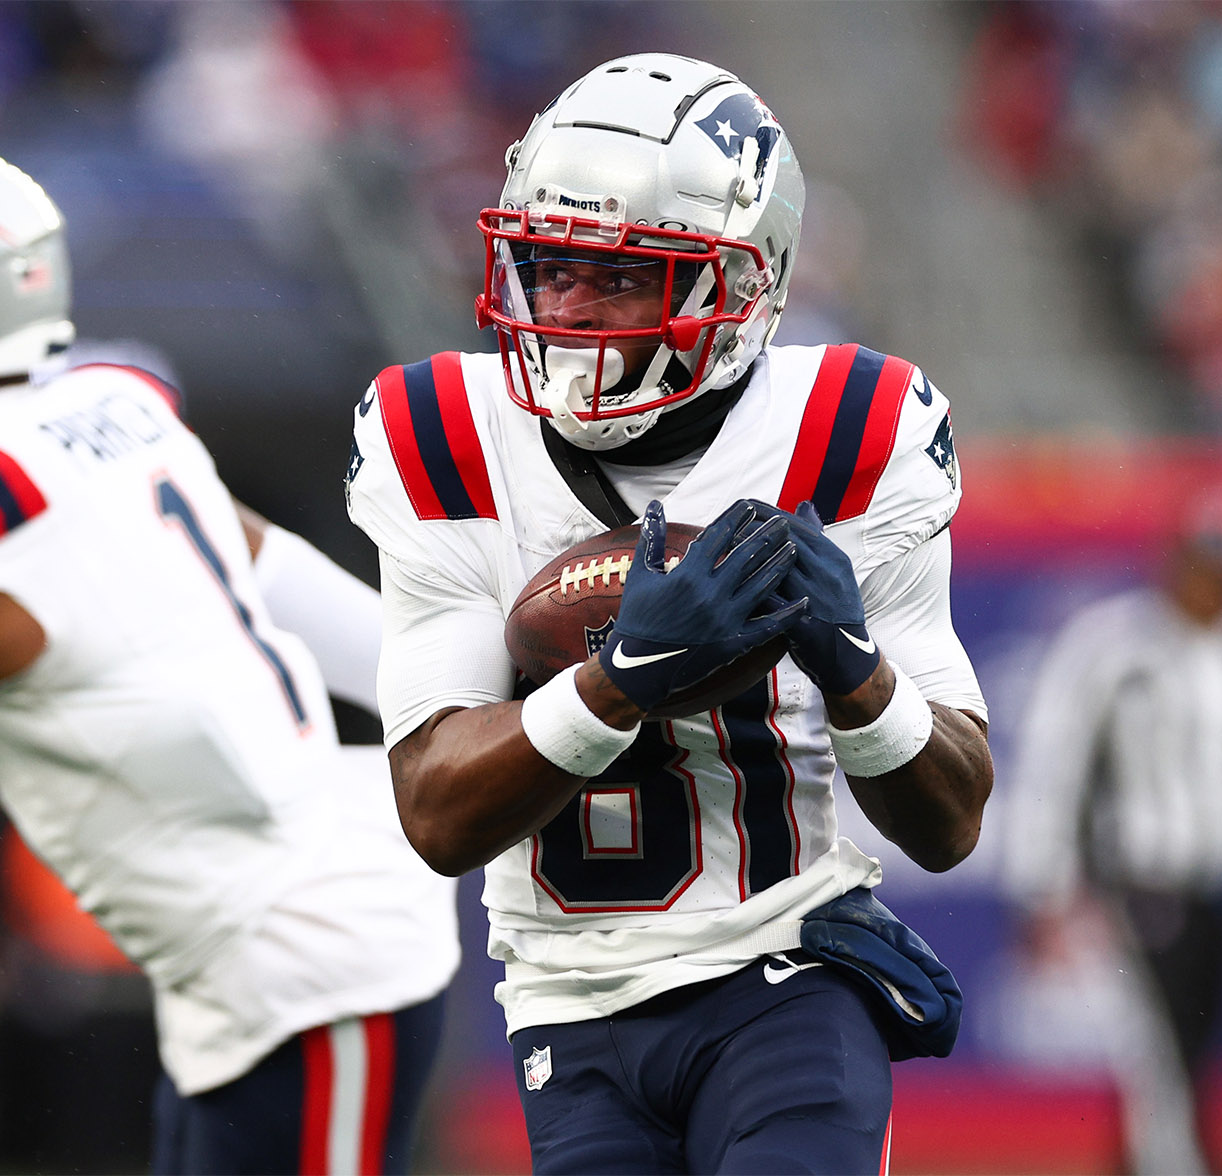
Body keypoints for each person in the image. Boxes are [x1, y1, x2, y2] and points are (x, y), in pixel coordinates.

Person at [0, 142, 460, 1176]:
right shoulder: (114, 409)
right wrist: (473, 689)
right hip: (273, 945)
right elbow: (299, 590)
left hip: (305, 966)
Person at [345, 53, 994, 1173]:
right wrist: (618, 680)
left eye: (617, 279)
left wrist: (851, 668)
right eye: (546, 271)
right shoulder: (440, 432)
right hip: (567, 999)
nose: (567, 313)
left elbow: (948, 822)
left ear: (738, 288)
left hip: (787, 969)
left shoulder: (852, 426)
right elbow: (436, 814)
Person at [1005, 503, 1222, 1175]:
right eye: (1204, 567)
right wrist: (1044, 884)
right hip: (1139, 885)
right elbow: (1056, 762)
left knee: (1192, 1058)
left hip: (1217, 889)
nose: (1214, 585)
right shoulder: (1117, 648)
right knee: (1161, 1065)